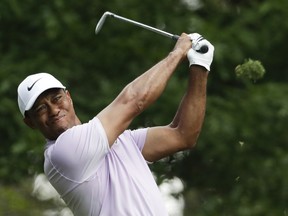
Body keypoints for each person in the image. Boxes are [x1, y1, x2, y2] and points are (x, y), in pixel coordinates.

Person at [17, 33, 214, 216]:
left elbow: (182, 135)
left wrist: (200, 66)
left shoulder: (122, 141)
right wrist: (178, 52)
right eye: (41, 109)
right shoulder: (61, 153)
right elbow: (133, 101)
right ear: (30, 122)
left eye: (56, 98)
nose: (53, 110)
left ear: (68, 97)